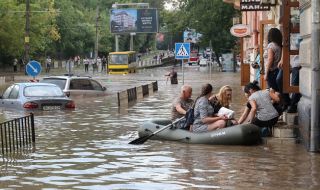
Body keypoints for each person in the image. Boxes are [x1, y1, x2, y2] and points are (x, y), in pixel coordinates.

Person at [287, 37, 302, 113]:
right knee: (294, 85)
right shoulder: (294, 37)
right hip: (295, 65)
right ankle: (293, 104)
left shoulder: (298, 37)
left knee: (295, 85)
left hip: (298, 64)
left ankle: (293, 105)